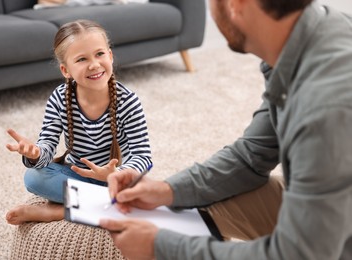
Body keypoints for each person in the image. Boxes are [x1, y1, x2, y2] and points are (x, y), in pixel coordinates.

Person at [99, 0, 352, 259]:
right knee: (205, 197)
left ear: (236, 4)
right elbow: (251, 155)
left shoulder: (325, 106)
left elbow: (300, 254)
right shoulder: (311, 36)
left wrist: (161, 247)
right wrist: (166, 191)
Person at [5, 20, 152, 225]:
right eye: (82, 59)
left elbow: (142, 156)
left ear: (110, 55)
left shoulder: (128, 101)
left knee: (138, 191)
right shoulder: (59, 98)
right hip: (75, 175)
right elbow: (47, 146)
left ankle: (57, 212)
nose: (94, 64)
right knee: (33, 177)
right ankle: (101, 205)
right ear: (66, 70)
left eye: (100, 54)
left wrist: (116, 174)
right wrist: (36, 153)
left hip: (114, 181)